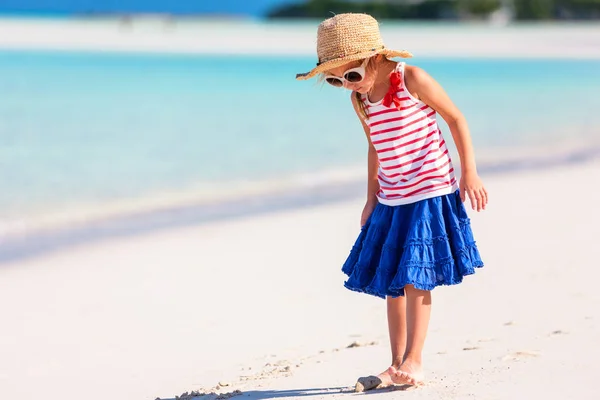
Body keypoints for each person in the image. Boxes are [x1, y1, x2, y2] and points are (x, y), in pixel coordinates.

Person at [296, 13, 487, 390]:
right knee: (392, 283)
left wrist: (470, 173)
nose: (344, 85)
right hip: (392, 196)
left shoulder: (412, 79)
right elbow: (374, 147)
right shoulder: (361, 98)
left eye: (350, 74)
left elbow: (456, 119)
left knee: (417, 277)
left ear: (375, 58)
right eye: (334, 80)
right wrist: (371, 198)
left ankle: (415, 360)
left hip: (430, 189)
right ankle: (395, 363)